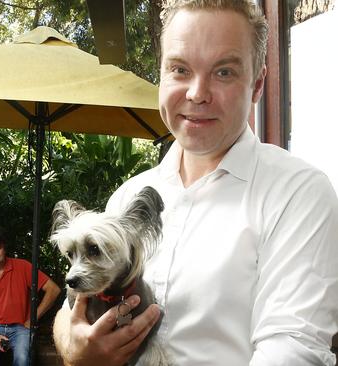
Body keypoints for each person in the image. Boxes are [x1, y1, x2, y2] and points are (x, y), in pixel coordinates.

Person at [56, 1, 338, 365]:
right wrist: (70, 342)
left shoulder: (298, 194)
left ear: (257, 85)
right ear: (161, 75)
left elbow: (293, 349)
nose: (196, 93)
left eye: (223, 72)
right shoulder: (128, 196)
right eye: (180, 69)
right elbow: (76, 305)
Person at [0, 228, 61, 366]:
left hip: (21, 327)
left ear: (4, 248)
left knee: (23, 359)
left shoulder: (22, 266)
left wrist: (33, 317)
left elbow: (53, 289)